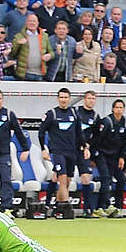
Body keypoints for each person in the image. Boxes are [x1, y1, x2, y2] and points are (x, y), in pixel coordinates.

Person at [38, 87, 85, 219]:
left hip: (72, 152)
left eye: (66, 97)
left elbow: (79, 133)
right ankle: (65, 209)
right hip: (58, 152)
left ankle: (58, 208)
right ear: (58, 99)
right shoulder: (52, 114)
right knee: (62, 180)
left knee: (68, 182)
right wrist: (44, 149)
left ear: (69, 99)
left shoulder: (74, 114)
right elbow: (41, 132)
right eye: (61, 97)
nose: (63, 100)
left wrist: (84, 147)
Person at [92, 99, 126, 218]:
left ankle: (117, 207)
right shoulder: (107, 121)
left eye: (121, 108)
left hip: (114, 156)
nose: (119, 110)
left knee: (121, 179)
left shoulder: (125, 123)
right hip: (102, 154)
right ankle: (106, 206)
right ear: (113, 109)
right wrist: (94, 157)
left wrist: (121, 157)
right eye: (117, 107)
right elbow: (97, 139)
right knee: (106, 178)